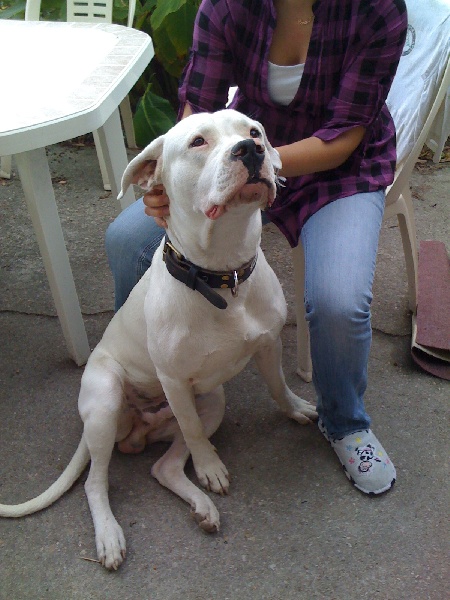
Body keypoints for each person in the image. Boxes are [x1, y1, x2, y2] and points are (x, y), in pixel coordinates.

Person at [105, 0, 408, 495]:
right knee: (127, 240)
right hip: (241, 154)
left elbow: (342, 137)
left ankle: (345, 422)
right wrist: (178, 174)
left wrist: (253, 166)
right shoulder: (226, 6)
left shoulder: (377, 10)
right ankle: (152, 366)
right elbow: (197, 107)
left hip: (338, 171)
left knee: (340, 302)